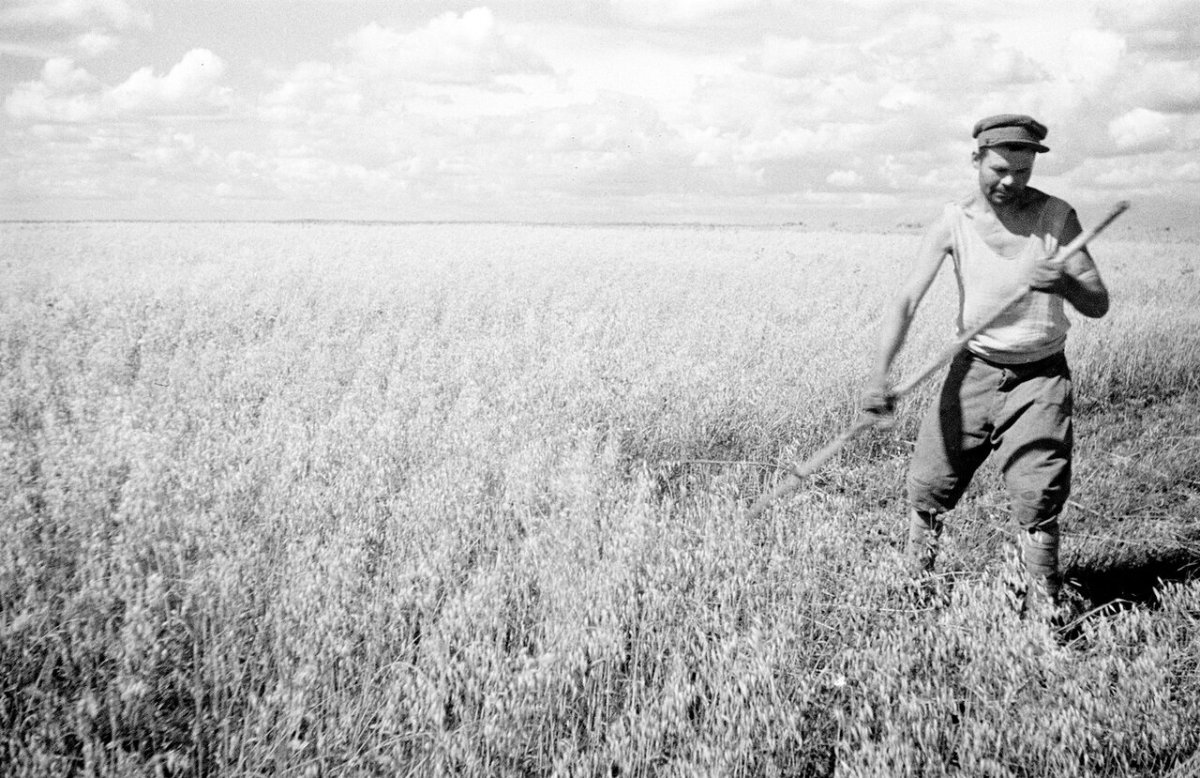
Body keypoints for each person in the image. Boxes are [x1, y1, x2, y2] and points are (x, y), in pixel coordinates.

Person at [863, 114, 1110, 607]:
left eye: (1023, 171)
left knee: (1039, 493)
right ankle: (914, 588)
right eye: (999, 169)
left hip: (1039, 375)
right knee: (930, 482)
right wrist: (879, 377)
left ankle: (1043, 607)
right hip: (973, 368)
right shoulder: (954, 221)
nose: (1011, 182)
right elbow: (906, 301)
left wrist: (1063, 282)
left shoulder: (1058, 218)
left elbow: (1098, 303)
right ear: (976, 159)